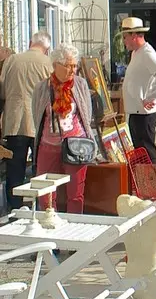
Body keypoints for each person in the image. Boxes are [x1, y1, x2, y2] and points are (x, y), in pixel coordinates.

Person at [31, 44, 94, 214]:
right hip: (48, 145)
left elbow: (86, 115)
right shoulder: (42, 88)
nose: (72, 70)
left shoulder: (80, 85)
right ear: (55, 65)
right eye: (68, 65)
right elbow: (36, 115)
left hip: (76, 146)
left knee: (75, 194)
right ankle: (49, 226)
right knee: (45, 194)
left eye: (74, 65)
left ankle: (75, 229)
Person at [0, 32, 53, 210]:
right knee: (40, 171)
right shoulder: (48, 63)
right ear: (47, 48)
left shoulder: (12, 60)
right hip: (39, 123)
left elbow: (2, 90)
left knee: (14, 171)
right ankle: (41, 209)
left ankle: (14, 211)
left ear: (31, 43)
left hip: (14, 123)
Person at [121, 17, 156, 163]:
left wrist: (150, 97)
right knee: (141, 154)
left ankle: (155, 184)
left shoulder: (146, 52)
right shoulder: (136, 53)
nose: (124, 41)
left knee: (147, 154)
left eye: (125, 37)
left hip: (145, 114)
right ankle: (146, 183)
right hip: (137, 113)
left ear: (134, 36)